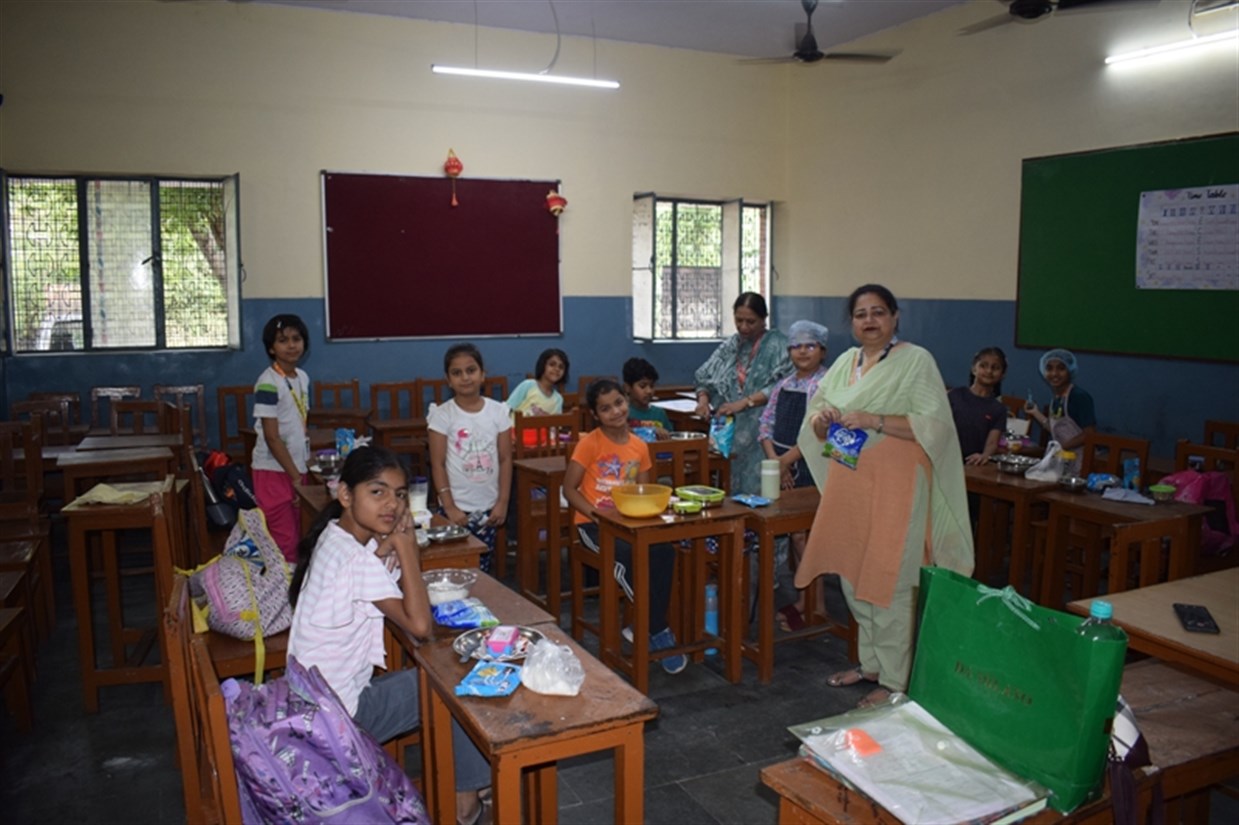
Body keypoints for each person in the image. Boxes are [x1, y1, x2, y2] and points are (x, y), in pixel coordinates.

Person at [287, 446, 490, 825]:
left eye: (399, 494)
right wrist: (406, 547)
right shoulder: (355, 558)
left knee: (431, 673)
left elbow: (386, 586)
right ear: (345, 494)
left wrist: (393, 547)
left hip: (311, 701)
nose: (392, 505)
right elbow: (420, 625)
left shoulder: (335, 536)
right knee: (453, 682)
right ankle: (465, 801)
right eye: (377, 492)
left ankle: (470, 778)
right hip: (338, 719)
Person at [795, 284, 973, 708]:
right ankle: (871, 665)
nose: (869, 320)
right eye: (861, 314)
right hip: (851, 482)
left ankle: (895, 681)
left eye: (878, 312)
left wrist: (874, 420)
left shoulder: (915, 361)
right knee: (853, 574)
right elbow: (816, 419)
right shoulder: (845, 362)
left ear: (895, 318)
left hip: (898, 484)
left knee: (889, 576)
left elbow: (935, 427)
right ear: (851, 323)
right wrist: (824, 419)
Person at [562, 379, 688, 675]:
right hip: (593, 525)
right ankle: (657, 629)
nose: (615, 412)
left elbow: (644, 493)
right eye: (606, 408)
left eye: (619, 403)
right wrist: (595, 515)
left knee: (663, 552)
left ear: (626, 401)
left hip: (630, 523)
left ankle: (645, 625)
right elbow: (569, 489)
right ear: (596, 415)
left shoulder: (639, 446)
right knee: (628, 557)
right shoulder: (590, 443)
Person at [758, 320, 830, 630]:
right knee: (795, 534)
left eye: (810, 345)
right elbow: (765, 425)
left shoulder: (825, 385)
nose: (802, 351)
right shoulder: (783, 384)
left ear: (822, 350)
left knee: (808, 536)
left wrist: (786, 461)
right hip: (782, 466)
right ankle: (806, 599)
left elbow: (817, 434)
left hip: (812, 467)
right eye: (796, 346)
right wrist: (776, 461)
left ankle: (818, 604)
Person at [694, 292, 793, 495]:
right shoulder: (731, 346)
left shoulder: (779, 345)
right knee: (731, 490)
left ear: (764, 319)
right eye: (739, 320)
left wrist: (745, 402)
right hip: (731, 434)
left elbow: (784, 385)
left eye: (751, 321)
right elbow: (704, 376)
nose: (744, 327)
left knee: (761, 491)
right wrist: (703, 401)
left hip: (763, 432)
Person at [428, 343, 512, 574]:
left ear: (483, 374)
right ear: (448, 380)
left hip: (489, 510)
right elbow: (437, 464)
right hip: (455, 509)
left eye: (471, 370)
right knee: (455, 567)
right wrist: (450, 506)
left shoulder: (498, 412)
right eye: (457, 373)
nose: (465, 377)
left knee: (481, 568)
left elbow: (505, 459)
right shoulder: (442, 415)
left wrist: (502, 502)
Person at [251, 314, 311, 563]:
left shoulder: (302, 378)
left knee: (301, 534)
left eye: (296, 339)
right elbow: (272, 437)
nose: (291, 345)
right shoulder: (268, 382)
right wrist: (295, 478)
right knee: (284, 541)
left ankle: (298, 585)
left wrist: (301, 471)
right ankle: (283, 587)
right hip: (273, 471)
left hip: (297, 467)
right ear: (271, 348)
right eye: (283, 340)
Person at [1025, 348, 1095, 459]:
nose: (1054, 373)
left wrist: (1061, 447)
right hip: (1061, 458)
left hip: (1078, 459)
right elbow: (1057, 430)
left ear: (1070, 370)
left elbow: (1089, 434)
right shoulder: (1057, 397)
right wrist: (1035, 412)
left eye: (1061, 368)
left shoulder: (1079, 397)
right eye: (1049, 368)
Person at [948, 347, 1009, 466]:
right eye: (983, 366)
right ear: (973, 369)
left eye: (995, 368)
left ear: (1002, 375)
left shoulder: (999, 409)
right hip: (946, 459)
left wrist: (985, 455)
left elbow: (992, 443)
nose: (989, 371)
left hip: (974, 464)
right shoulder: (955, 396)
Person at [507, 348, 570, 417]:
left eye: (561, 367)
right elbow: (507, 409)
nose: (557, 369)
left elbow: (556, 422)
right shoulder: (528, 385)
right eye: (552, 364)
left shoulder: (558, 399)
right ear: (542, 365)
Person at [623, 357, 673, 439]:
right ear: (627, 387)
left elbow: (671, 437)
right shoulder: (622, 413)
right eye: (642, 386)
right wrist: (652, 430)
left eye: (652, 386)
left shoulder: (659, 413)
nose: (649, 391)